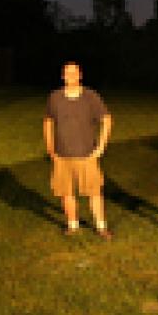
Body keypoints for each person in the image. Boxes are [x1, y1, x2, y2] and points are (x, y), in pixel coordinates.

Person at [44, 62, 113, 240]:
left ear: (80, 75)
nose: (71, 75)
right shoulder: (55, 97)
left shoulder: (91, 96)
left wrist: (101, 148)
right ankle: (72, 225)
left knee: (94, 192)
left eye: (74, 72)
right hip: (62, 155)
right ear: (62, 76)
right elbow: (48, 122)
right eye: (67, 73)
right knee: (66, 192)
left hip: (87, 155)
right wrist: (50, 148)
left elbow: (106, 119)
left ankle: (101, 227)